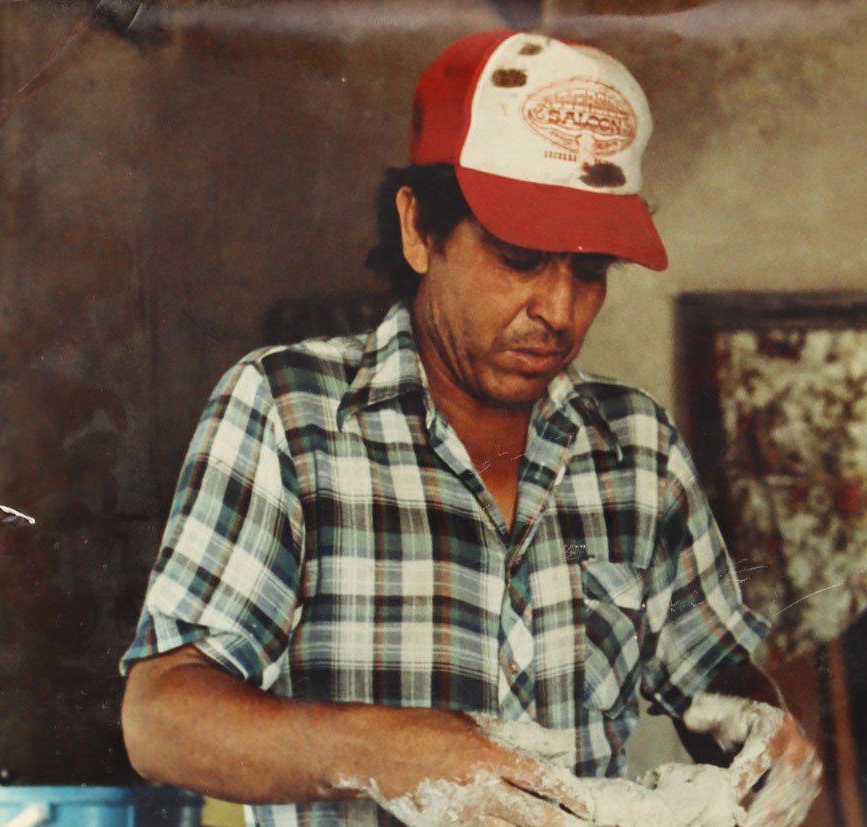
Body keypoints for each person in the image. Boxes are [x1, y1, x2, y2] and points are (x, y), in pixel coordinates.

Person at [119, 29, 820, 826]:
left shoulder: (637, 448)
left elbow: (713, 671)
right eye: (520, 258)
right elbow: (161, 718)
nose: (560, 310)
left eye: (590, 270)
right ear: (419, 229)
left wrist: (761, 729)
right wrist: (388, 751)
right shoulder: (289, 412)